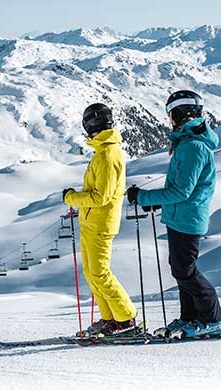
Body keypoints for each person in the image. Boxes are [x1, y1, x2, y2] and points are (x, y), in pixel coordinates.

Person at [127, 90, 221, 338]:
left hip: (187, 218)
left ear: (182, 113)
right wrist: (157, 203)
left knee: (185, 270)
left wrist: (144, 197)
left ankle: (212, 318)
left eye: (171, 114)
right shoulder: (186, 144)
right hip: (180, 216)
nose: (169, 120)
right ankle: (189, 317)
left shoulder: (193, 147)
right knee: (180, 268)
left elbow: (181, 191)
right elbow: (181, 189)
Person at [63, 103, 138, 337]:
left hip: (100, 223)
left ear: (91, 124)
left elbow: (101, 196)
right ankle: (110, 318)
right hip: (91, 222)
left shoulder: (107, 154)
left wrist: (72, 198)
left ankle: (125, 318)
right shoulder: (103, 151)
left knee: (100, 273)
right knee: (91, 272)